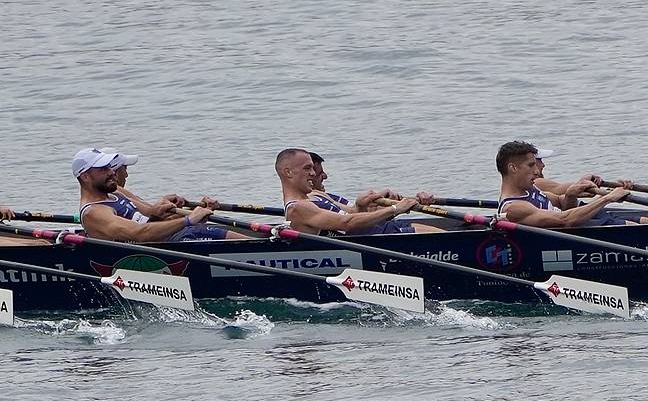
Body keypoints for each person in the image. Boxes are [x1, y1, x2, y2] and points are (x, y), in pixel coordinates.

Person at [73, 148, 243, 241]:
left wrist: (197, 208)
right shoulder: (93, 212)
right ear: (85, 176)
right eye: (103, 169)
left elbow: (151, 214)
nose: (111, 172)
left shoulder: (115, 192)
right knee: (209, 232)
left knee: (213, 230)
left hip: (171, 237)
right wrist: (188, 220)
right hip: (162, 247)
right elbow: (140, 233)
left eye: (110, 167)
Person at [275, 148, 442, 235]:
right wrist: (396, 209)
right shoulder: (297, 208)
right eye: (307, 168)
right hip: (368, 243)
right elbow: (346, 224)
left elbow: (354, 214)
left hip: (371, 236)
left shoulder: (317, 196)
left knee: (440, 233)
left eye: (313, 168)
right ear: (288, 172)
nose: (314, 173)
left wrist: (413, 200)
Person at [495, 141, 637, 227]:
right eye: (531, 165)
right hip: (575, 238)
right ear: (513, 168)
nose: (537, 171)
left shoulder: (530, 189)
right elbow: (564, 220)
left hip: (581, 227)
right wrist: (607, 198)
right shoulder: (514, 208)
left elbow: (562, 204)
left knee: (642, 222)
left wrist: (571, 194)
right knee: (635, 226)